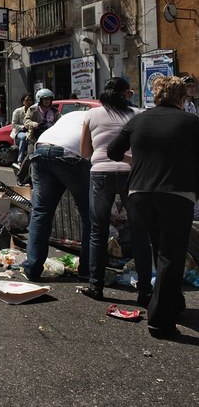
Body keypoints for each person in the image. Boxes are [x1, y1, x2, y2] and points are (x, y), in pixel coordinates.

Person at [107, 76, 199, 338]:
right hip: (176, 193)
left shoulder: (138, 119)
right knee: (172, 254)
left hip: (140, 192)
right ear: (181, 98)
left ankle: (173, 302)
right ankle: (159, 320)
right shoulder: (191, 122)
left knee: (160, 249)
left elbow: (113, 151)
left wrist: (138, 161)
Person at [79, 78, 151, 302]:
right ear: (127, 94)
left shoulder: (91, 115)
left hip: (100, 173)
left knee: (98, 231)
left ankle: (95, 286)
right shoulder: (137, 114)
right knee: (140, 232)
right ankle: (144, 291)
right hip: (132, 173)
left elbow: (84, 152)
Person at [21, 110, 91, 282]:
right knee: (90, 216)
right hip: (70, 156)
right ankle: (87, 270)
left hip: (42, 151)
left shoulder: (69, 116)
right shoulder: (96, 119)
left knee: (41, 212)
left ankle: (32, 267)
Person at [11, 94, 34, 164]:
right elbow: (13, 125)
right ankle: (20, 160)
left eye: (30, 100)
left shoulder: (35, 110)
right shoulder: (17, 111)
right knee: (24, 137)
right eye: (27, 100)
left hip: (32, 131)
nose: (29, 102)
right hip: (19, 132)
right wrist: (23, 127)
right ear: (23, 101)